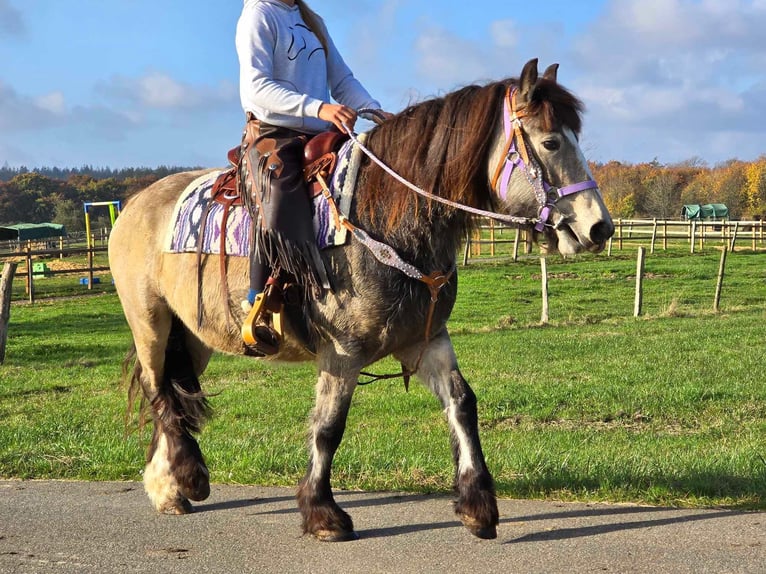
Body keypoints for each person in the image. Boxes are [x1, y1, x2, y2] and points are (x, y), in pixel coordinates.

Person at [235, 0, 391, 355]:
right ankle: (259, 299)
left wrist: (374, 110)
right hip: (274, 132)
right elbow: (257, 87)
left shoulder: (311, 20)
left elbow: (342, 80)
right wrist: (318, 107)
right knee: (280, 193)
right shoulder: (258, 15)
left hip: (321, 133)